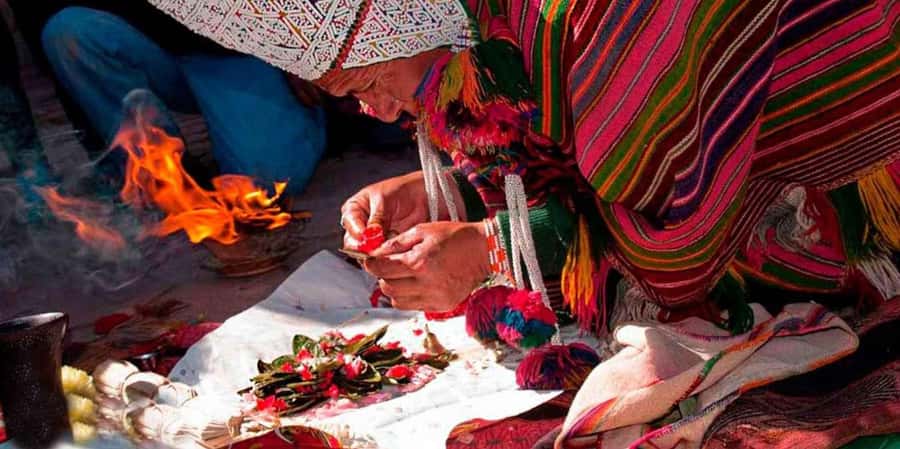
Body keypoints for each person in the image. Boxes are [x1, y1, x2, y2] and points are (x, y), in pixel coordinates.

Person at [146, 0, 900, 330]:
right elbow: (560, 129)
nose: (374, 113)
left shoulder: (582, 20)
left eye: (366, 82)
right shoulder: (496, 27)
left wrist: (494, 248)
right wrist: (431, 190)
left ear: (402, 15)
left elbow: (672, 237)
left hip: (858, 156)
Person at [28, 3, 328, 194]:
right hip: (153, 46)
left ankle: (321, 114)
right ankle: (165, 184)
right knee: (68, 31)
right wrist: (107, 160)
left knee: (267, 185)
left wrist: (301, 49)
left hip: (239, 44)